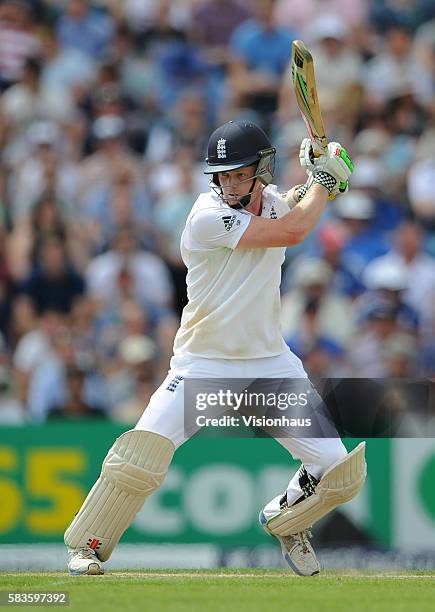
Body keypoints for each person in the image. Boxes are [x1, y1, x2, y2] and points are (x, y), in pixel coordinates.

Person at [64, 120, 365, 577]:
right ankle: (87, 546)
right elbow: (293, 230)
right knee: (139, 455)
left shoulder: (275, 203)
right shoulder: (206, 217)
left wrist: (323, 176)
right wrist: (325, 181)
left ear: (261, 169)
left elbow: (296, 208)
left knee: (340, 472)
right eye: (222, 174)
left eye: (239, 173)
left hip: (269, 365)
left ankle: (287, 520)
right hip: (204, 363)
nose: (228, 183)